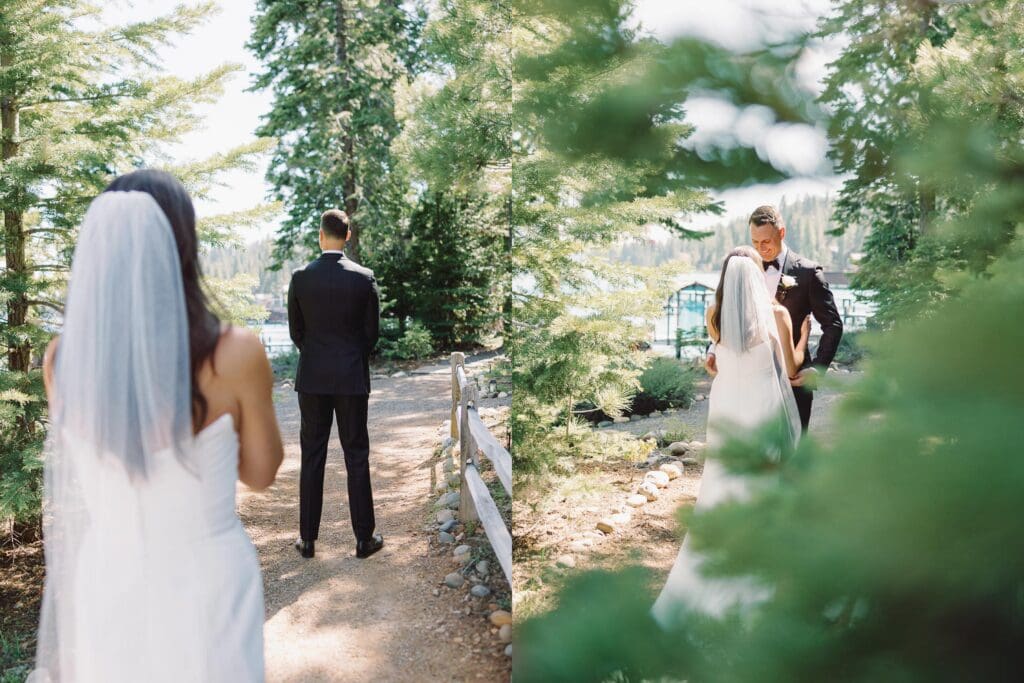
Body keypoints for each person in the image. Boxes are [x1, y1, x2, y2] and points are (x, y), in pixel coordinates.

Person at [31, 169, 284, 682]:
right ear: (181, 244)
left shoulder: (63, 360)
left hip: (107, 576)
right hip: (207, 578)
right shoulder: (234, 353)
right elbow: (261, 473)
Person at [652, 246, 807, 624]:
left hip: (726, 406)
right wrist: (803, 337)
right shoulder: (778, 315)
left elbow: (719, 362)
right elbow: (791, 369)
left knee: (721, 482)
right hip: (760, 405)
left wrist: (714, 363)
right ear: (757, 276)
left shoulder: (714, 315)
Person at [288, 209, 384, 560]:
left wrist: (316, 355)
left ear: (320, 235)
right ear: (347, 236)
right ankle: (363, 539)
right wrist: (348, 357)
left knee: (312, 455)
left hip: (312, 377)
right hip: (350, 378)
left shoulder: (300, 277)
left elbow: (296, 333)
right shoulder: (364, 278)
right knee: (355, 454)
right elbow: (371, 334)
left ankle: (308, 540)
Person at [705, 205, 843, 432]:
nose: (760, 249)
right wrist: (713, 349)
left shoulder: (809, 273)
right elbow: (729, 312)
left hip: (793, 379)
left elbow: (832, 324)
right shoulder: (744, 268)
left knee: (793, 454)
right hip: (751, 382)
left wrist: (817, 368)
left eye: (766, 242)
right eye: (755, 242)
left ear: (781, 233)